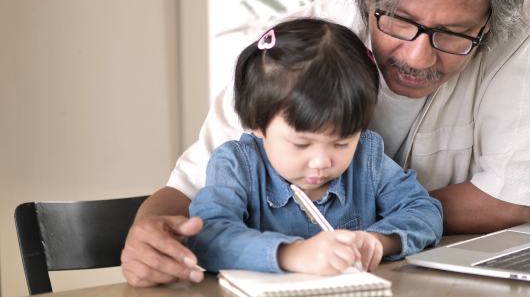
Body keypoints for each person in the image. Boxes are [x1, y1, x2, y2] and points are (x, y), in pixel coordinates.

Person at [122, 0, 530, 286]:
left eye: (454, 34)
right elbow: (193, 206)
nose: (418, 56)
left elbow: (509, 199)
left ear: (490, 24)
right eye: (398, 20)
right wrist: (294, 249)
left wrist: (374, 239)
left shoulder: (369, 159)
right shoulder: (289, 65)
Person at [186, 18, 442, 275]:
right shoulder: (236, 165)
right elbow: (208, 236)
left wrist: (378, 241)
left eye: (342, 142)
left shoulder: (367, 158)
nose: (322, 161)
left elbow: (425, 211)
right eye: (301, 143)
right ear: (257, 124)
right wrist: (292, 254)